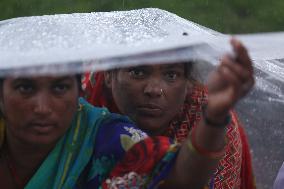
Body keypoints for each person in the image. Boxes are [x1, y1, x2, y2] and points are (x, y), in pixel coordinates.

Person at [83, 38, 256, 189]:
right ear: (108, 75)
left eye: (171, 75)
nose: (154, 90)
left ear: (188, 83)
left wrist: (213, 119)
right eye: (138, 72)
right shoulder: (82, 105)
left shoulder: (211, 121)